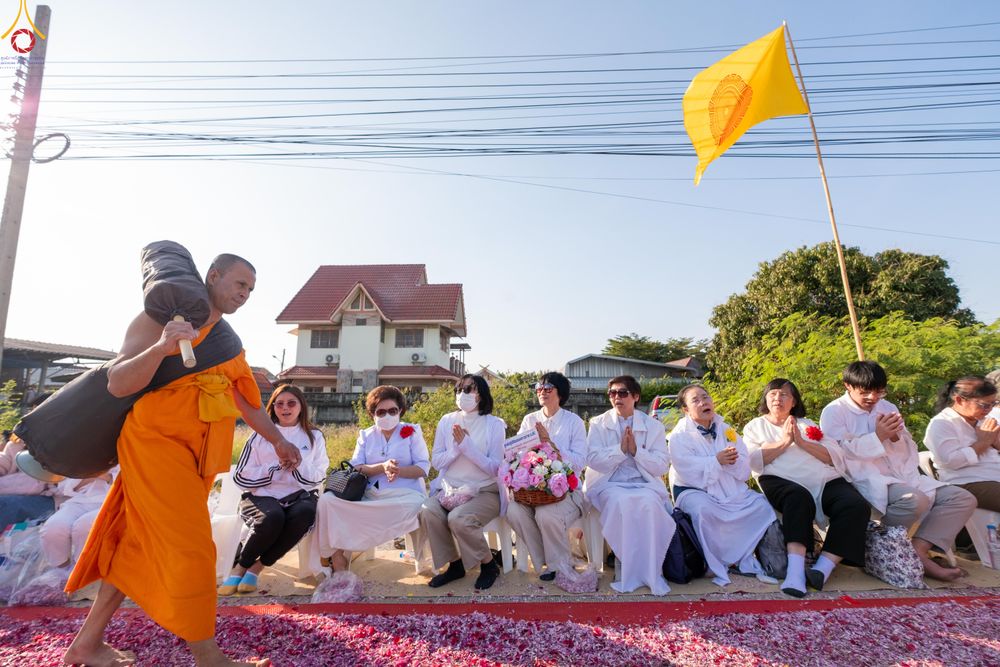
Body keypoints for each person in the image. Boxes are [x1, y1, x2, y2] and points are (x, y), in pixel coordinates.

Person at [63, 254, 302, 667]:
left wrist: (279, 440)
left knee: (135, 544)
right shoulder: (158, 318)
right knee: (194, 549)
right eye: (240, 284)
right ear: (213, 276)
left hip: (198, 456)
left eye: (250, 289)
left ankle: (86, 643)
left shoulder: (228, 342)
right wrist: (163, 347)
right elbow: (118, 383)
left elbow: (248, 404)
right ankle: (207, 655)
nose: (245, 294)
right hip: (154, 444)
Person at [820, 360, 977, 582]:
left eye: (879, 392)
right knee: (913, 500)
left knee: (962, 498)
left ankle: (916, 550)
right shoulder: (834, 411)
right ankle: (882, 549)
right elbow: (837, 453)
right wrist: (877, 437)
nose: (872, 398)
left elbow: (906, 446)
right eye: (865, 392)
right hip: (864, 476)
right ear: (848, 385)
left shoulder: (888, 407)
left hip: (901, 472)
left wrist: (896, 437)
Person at [743, 379, 870, 597]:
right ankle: (795, 572)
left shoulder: (807, 424)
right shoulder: (755, 426)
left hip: (824, 478)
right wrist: (785, 442)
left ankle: (822, 568)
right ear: (766, 399)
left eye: (784, 394)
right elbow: (752, 461)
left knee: (856, 505)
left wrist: (802, 442)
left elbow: (833, 456)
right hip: (779, 479)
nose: (778, 398)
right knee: (798, 498)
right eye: (773, 394)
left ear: (793, 402)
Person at [220, 384, 329, 595]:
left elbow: (320, 474)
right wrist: (274, 467)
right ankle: (241, 565)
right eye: (280, 404)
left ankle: (254, 568)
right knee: (272, 518)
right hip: (262, 495)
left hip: (300, 495)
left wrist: (298, 465)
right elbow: (241, 475)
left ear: (301, 406)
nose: (285, 408)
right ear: (272, 407)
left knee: (304, 514)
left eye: (291, 403)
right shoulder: (259, 435)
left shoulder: (314, 436)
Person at [668, 385, 776, 587]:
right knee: (703, 510)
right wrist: (715, 461)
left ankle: (741, 556)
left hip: (729, 486)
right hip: (694, 489)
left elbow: (744, 466)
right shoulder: (678, 436)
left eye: (705, 397)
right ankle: (713, 561)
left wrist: (732, 461)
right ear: (686, 409)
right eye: (696, 400)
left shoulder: (726, 429)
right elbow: (685, 468)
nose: (703, 402)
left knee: (761, 506)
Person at [316, 385, 429, 573]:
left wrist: (398, 471)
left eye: (392, 411)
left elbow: (423, 468)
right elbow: (356, 466)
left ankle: (420, 559)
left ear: (400, 410)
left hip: (406, 495)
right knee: (327, 501)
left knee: (416, 508)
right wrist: (382, 467)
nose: (387, 415)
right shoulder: (366, 435)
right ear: (372, 414)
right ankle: (336, 556)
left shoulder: (412, 432)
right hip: (370, 495)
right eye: (381, 412)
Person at [585, 375, 673, 595]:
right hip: (610, 483)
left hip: (644, 483)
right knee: (621, 503)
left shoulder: (653, 426)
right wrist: (620, 450)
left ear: (635, 397)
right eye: (612, 393)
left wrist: (636, 451)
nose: (617, 397)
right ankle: (623, 566)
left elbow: (662, 465)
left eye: (622, 393)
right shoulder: (598, 423)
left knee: (649, 504)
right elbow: (593, 459)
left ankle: (651, 569)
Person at [418, 374, 505, 591]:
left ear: (481, 395)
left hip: (485, 491)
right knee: (427, 511)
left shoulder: (494, 424)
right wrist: (455, 450)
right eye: (459, 390)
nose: (461, 395)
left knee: (459, 519)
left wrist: (468, 448)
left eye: (468, 390)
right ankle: (455, 564)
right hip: (449, 490)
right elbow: (437, 461)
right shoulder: (447, 420)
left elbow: (496, 468)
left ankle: (488, 565)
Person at [505, 372, 587, 581]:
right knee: (513, 510)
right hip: (534, 490)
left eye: (548, 388)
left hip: (568, 492)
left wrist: (550, 444)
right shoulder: (530, 420)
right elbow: (518, 454)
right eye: (539, 388)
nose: (542, 392)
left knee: (545, 514)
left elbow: (580, 462)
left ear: (561, 393)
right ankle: (545, 560)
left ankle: (558, 566)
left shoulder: (574, 422)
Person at [924, 376, 1000, 512]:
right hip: (966, 481)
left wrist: (996, 443)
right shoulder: (942, 423)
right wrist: (983, 443)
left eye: (993, 404)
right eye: (984, 405)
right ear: (959, 400)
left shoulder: (986, 420)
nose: (989, 409)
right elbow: (950, 461)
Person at [40, 467, 118, 569]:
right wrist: (87, 475)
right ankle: (61, 570)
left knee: (83, 527)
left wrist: (107, 477)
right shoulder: (81, 458)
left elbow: (131, 482)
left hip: (115, 501)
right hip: (80, 500)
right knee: (53, 528)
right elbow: (63, 488)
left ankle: (82, 570)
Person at [0, 434, 56, 529]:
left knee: (4, 504)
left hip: (52, 500)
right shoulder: (20, 441)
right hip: (14, 493)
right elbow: (5, 459)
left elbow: (36, 483)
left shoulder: (59, 445)